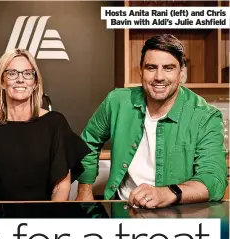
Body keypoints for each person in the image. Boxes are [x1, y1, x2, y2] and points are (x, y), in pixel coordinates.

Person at [76, 34, 228, 208]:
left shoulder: (205, 116)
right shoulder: (117, 101)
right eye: (151, 67)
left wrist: (167, 192)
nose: (159, 77)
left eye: (168, 68)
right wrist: (85, 191)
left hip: (179, 213)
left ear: (181, 73)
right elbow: (88, 142)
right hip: (123, 209)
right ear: (141, 71)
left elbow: (213, 180)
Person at [0, 48, 91, 201]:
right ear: (1, 81)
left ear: (34, 83)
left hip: (43, 219)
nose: (20, 79)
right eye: (12, 73)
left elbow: (62, 186)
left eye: (27, 73)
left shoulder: (55, 124)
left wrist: (51, 221)